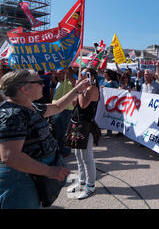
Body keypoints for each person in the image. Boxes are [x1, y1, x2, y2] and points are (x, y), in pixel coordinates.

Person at [0, 69, 89, 208]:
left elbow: (57, 106)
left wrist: (77, 89)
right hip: (20, 181)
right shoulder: (13, 114)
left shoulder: (30, 106)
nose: (43, 84)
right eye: (39, 82)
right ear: (24, 88)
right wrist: (49, 171)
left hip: (31, 176)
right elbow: (10, 156)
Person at [65, 67, 101, 200]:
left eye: (86, 74)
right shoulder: (84, 89)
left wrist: (79, 89)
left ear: (92, 77)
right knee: (78, 155)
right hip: (77, 125)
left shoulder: (93, 89)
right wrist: (76, 89)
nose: (82, 76)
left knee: (87, 156)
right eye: (81, 74)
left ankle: (90, 186)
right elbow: (75, 103)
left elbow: (83, 104)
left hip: (87, 126)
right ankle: (82, 181)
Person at [52, 69, 76, 158]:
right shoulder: (60, 82)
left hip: (65, 110)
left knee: (63, 132)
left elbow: (75, 84)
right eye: (57, 74)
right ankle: (61, 149)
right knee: (58, 132)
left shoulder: (69, 81)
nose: (58, 76)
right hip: (56, 110)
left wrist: (68, 74)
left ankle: (65, 151)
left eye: (60, 74)